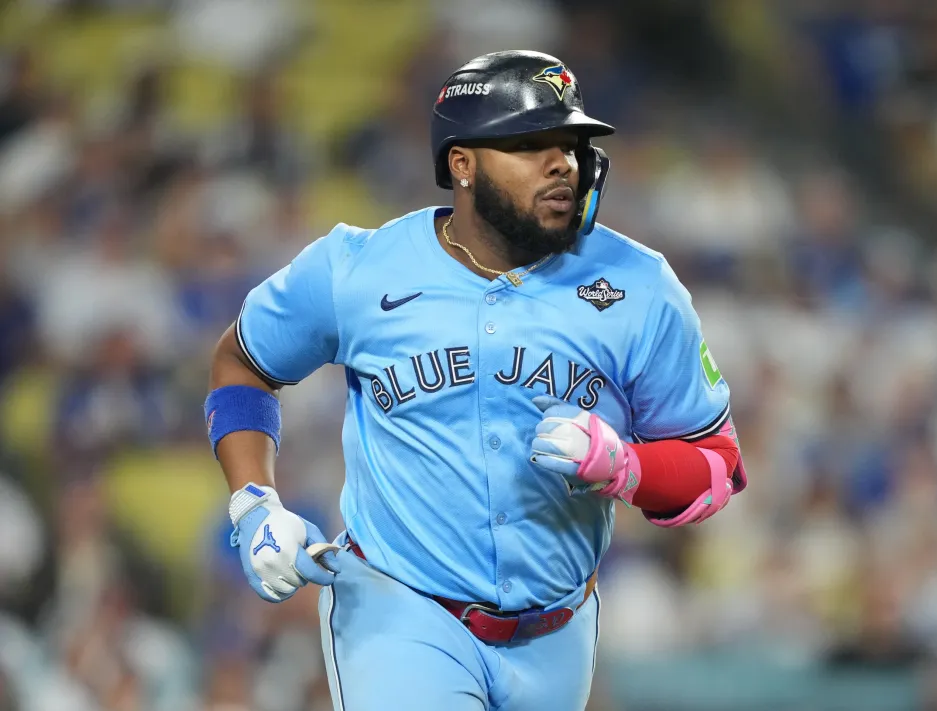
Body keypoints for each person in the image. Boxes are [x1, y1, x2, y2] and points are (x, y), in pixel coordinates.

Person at [204, 50, 747, 711]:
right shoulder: (357, 269)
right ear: (462, 163)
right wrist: (253, 503)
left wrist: (627, 467)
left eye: (571, 144)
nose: (562, 163)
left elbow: (716, 467)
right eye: (530, 144)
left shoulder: (639, 285)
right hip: (400, 610)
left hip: (558, 629)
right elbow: (242, 362)